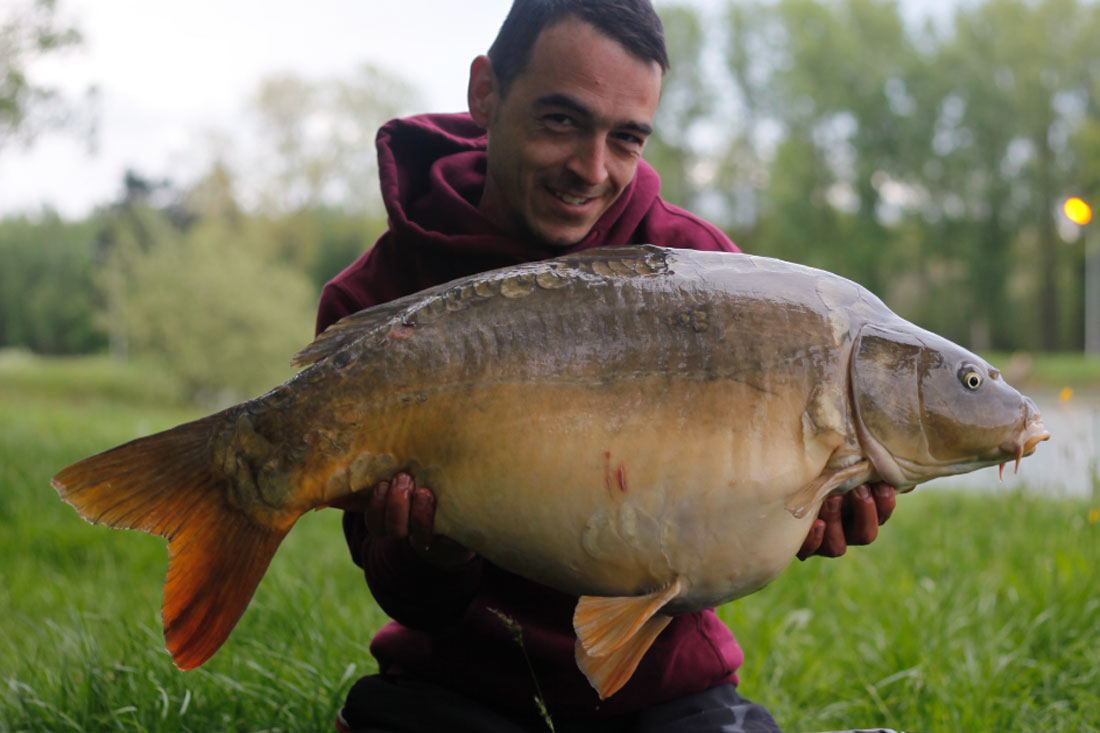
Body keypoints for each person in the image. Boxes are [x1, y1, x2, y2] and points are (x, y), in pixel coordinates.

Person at [318, 2, 898, 731]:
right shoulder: (377, 299)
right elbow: (406, 597)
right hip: (460, 681)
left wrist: (808, 509)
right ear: (485, 92)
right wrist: (427, 552)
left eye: (626, 138)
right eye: (561, 121)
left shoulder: (714, 278)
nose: (591, 170)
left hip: (664, 690)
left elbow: (733, 530)